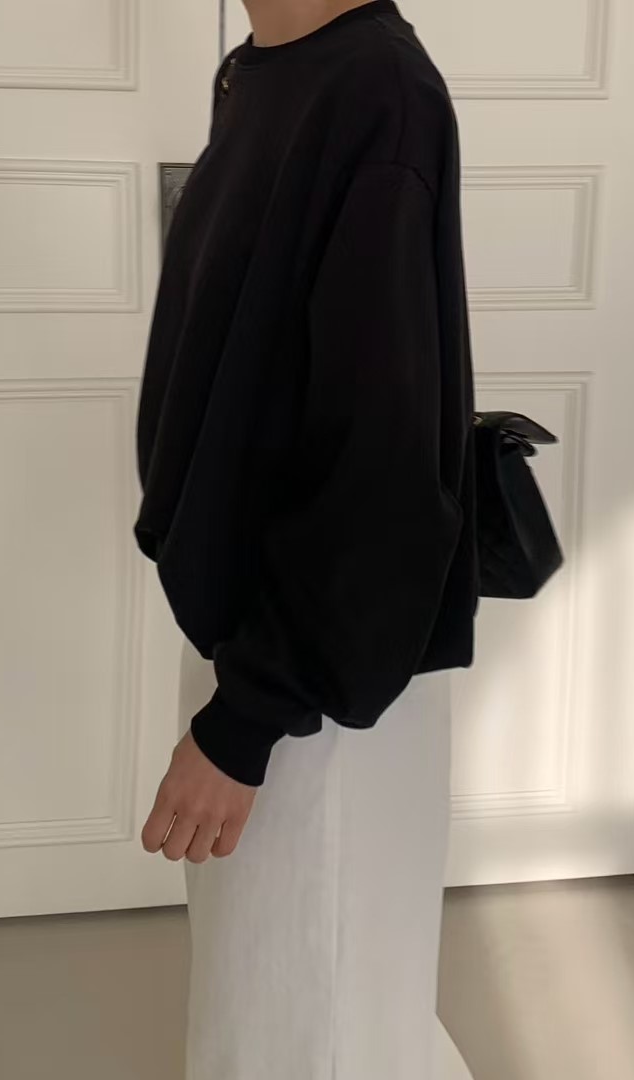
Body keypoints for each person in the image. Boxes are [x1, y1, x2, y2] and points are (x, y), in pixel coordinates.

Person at [133, 1, 479, 1076]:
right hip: (259, 628)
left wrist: (249, 719)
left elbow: (381, 463)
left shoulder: (377, 94)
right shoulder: (263, 70)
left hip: (317, 681)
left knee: (311, 1017)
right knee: (266, 999)